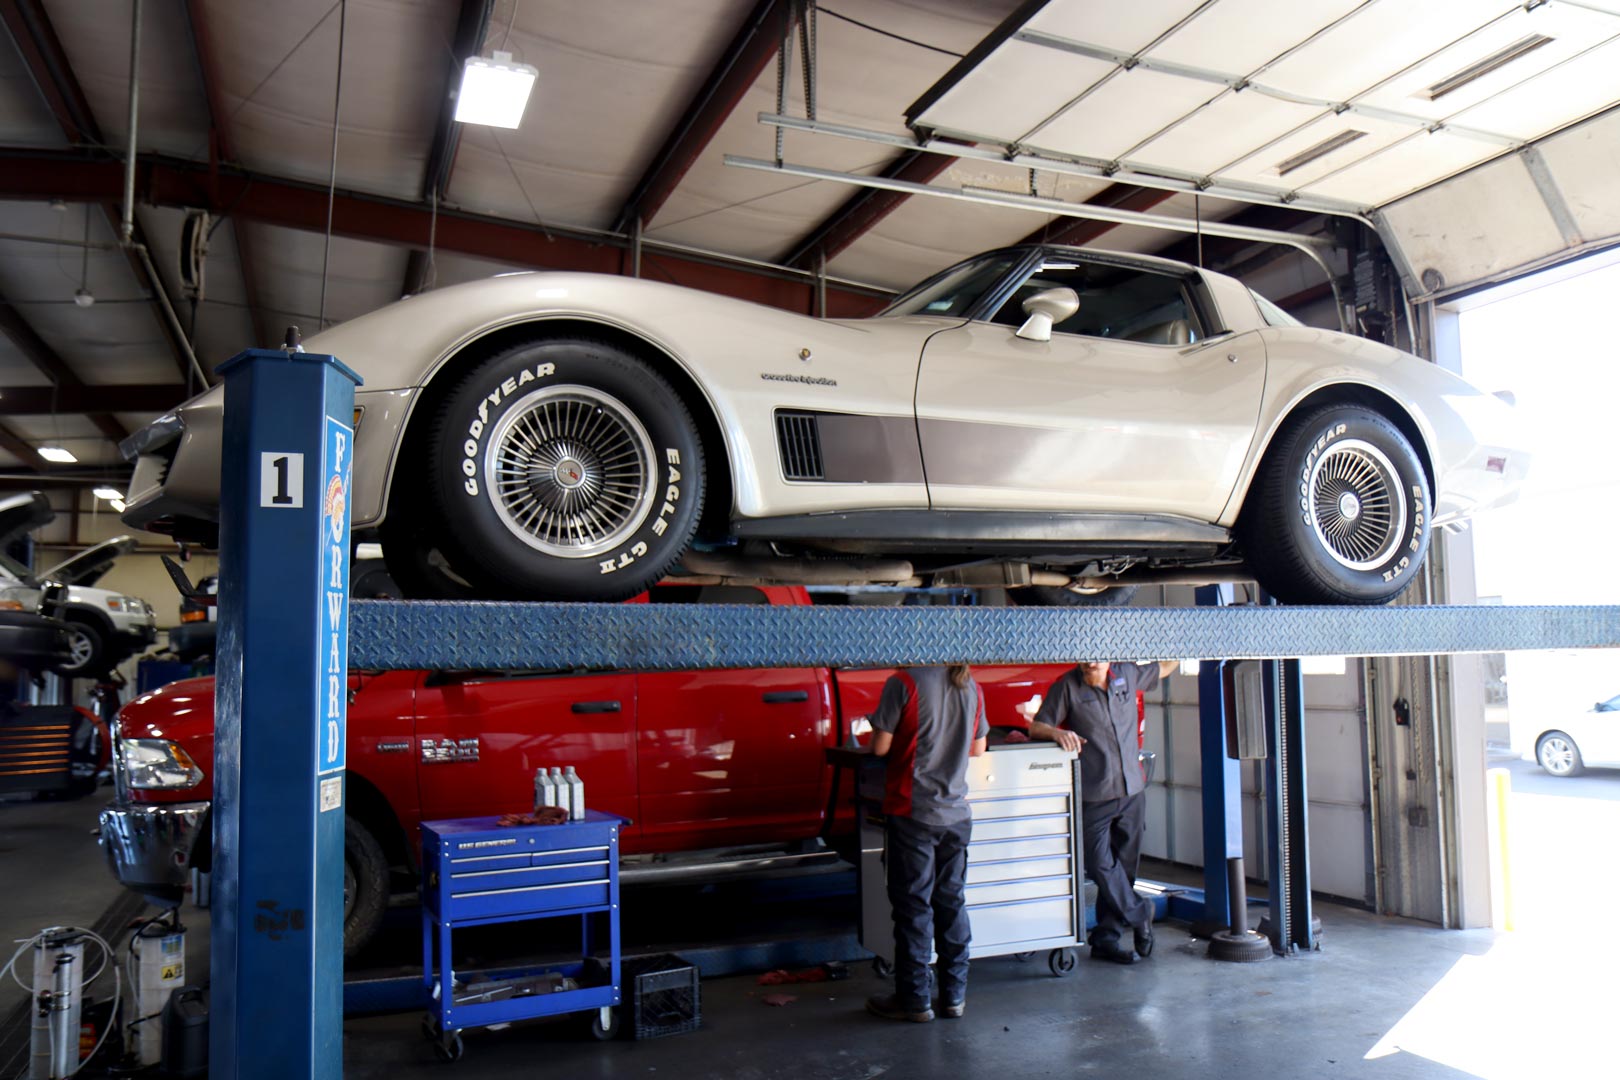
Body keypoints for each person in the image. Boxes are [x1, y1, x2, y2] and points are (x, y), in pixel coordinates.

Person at [1029, 659, 1178, 965]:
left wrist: (1183, 646)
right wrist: (1057, 734)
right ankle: (1141, 913)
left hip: (1132, 790)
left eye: (1095, 660)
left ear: (1107, 658)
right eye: (1084, 660)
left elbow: (1163, 668)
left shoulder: (1126, 673)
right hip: (1095, 795)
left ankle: (1106, 939)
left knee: (1124, 869)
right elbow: (1037, 725)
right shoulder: (1067, 686)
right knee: (1099, 864)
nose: (1088, 665)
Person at [865, 663, 988, 1023]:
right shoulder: (971, 684)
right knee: (951, 903)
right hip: (956, 816)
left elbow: (880, 747)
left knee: (914, 907)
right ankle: (953, 997)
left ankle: (915, 1001)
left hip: (914, 810)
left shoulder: (904, 681)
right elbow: (978, 748)